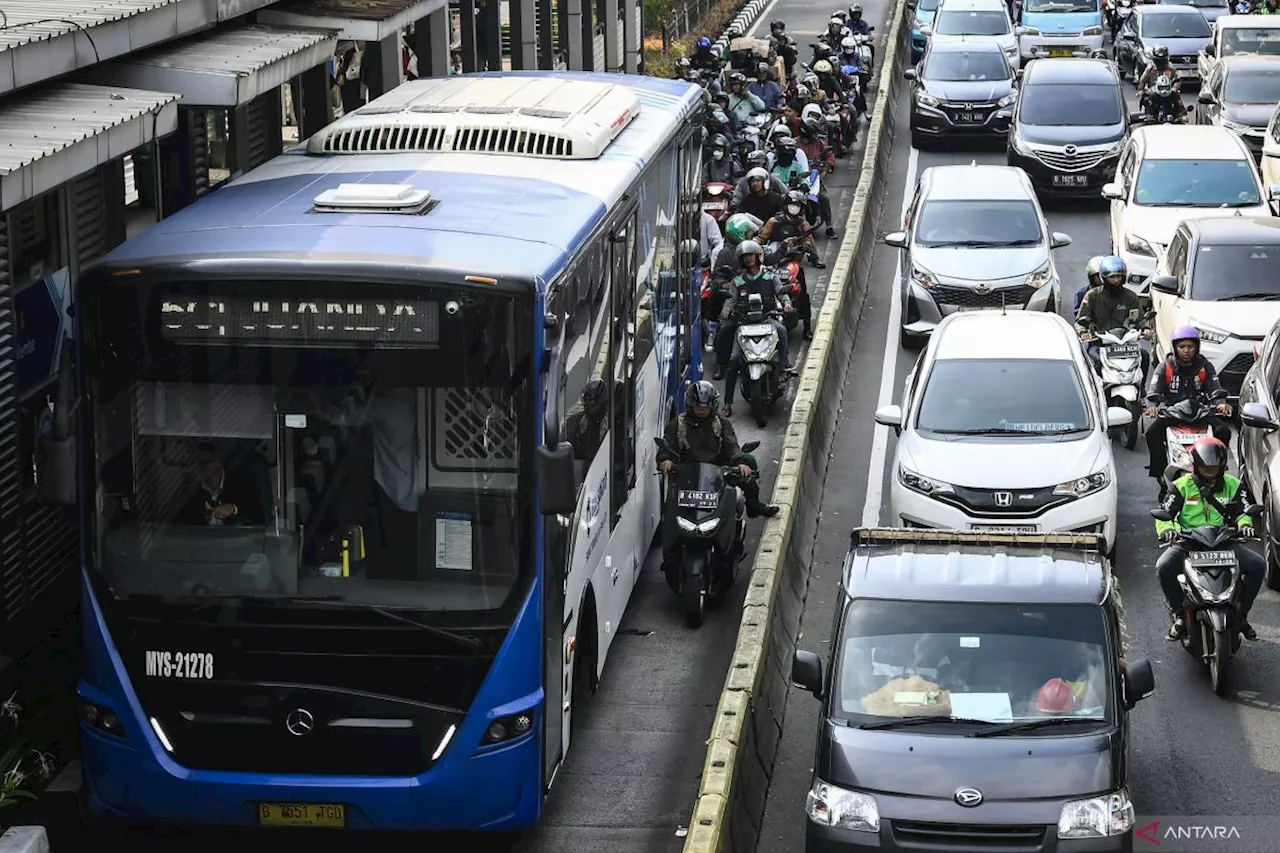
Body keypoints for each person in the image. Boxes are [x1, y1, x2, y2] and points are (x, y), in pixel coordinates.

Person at [656, 382, 778, 580]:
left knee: (747, 474)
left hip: (718, 476)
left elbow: (731, 445)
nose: (702, 411)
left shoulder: (722, 424)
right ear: (690, 405)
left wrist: (739, 463)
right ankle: (671, 555)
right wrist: (666, 461)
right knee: (669, 512)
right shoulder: (677, 425)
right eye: (698, 407)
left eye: (705, 408)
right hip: (687, 479)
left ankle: (754, 507)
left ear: (713, 406)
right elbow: (666, 448)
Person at [1154, 437, 1264, 642]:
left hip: (1224, 540)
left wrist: (1245, 526)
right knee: (1163, 566)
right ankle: (1179, 616)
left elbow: (1243, 511)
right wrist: (1168, 530)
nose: (1210, 474)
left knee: (1258, 565)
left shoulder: (1234, 485)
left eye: (1214, 469)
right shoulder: (1180, 486)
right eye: (1205, 469)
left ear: (1222, 467)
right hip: (1189, 542)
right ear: (1196, 467)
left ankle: (1241, 616)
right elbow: (1166, 514)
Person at [1144, 326, 1232, 493]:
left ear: (1196, 347)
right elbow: (1154, 391)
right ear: (1175, 348)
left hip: (1201, 413)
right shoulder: (1164, 367)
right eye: (1182, 347)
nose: (1186, 351)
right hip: (1173, 413)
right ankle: (1160, 473)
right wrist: (1152, 407)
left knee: (1224, 431)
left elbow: (1215, 388)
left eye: (1190, 347)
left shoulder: (1205, 366)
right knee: (1152, 433)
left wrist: (1221, 403)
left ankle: (1219, 469)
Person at [719, 240, 794, 411]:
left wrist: (787, 304)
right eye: (745, 257)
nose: (748, 260)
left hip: (766, 320)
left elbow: (781, 293)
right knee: (733, 361)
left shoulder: (770, 277)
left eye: (751, 256)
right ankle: (728, 403)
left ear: (757, 256)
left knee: (782, 330)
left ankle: (783, 366)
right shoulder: (738, 282)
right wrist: (726, 310)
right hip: (744, 324)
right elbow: (731, 300)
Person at [1075, 255, 1149, 376]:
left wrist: (1146, 329)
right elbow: (1080, 320)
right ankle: (1096, 392)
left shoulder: (1131, 297)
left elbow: (1139, 320)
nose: (1115, 281)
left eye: (1118, 276)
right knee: (1094, 361)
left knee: (1144, 356)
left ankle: (1141, 389)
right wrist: (1083, 332)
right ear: (1104, 278)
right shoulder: (1092, 296)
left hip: (1125, 344)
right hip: (1099, 343)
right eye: (1112, 277)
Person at [182, 443, 267, 526]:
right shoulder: (193, 491)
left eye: (205, 462)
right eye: (198, 462)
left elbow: (256, 516)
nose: (200, 467)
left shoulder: (240, 485)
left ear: (219, 463)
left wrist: (234, 509)